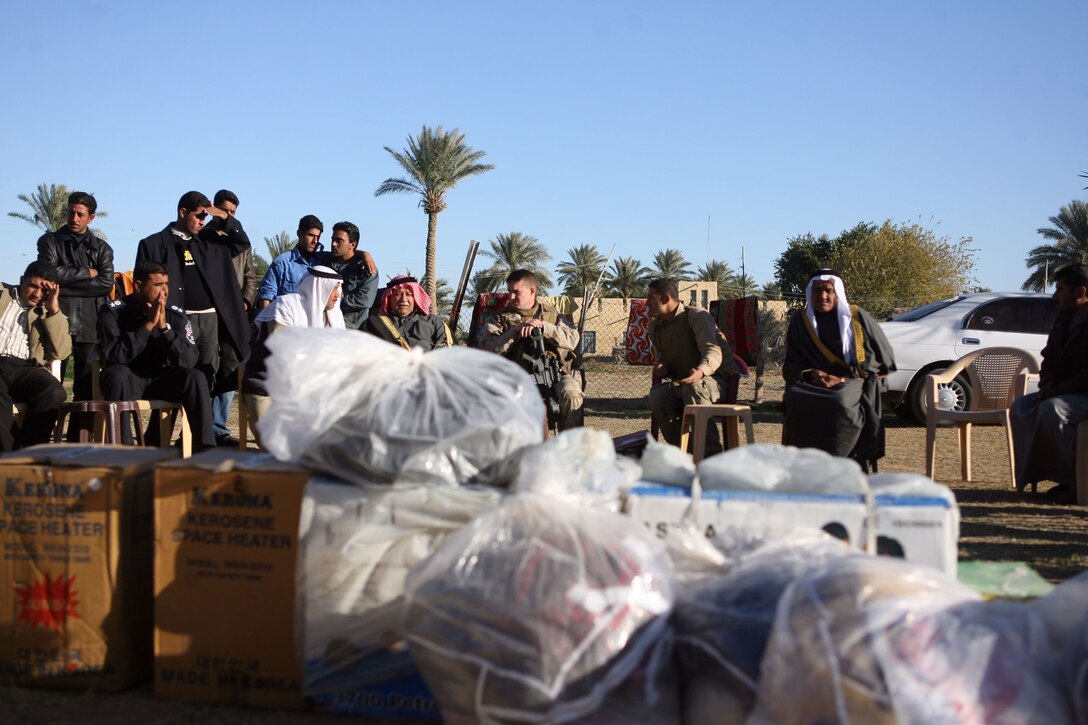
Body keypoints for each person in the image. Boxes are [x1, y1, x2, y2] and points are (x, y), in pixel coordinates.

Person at [134, 191, 251, 447]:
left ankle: (199, 437)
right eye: (198, 216)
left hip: (208, 319)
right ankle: (158, 435)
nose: (202, 222)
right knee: (173, 373)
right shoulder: (154, 243)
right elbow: (141, 284)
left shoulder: (211, 241)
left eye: (205, 217)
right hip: (174, 320)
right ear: (182, 212)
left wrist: (224, 219)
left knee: (206, 375)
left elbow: (242, 243)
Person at [781, 270, 896, 469]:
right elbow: (792, 363)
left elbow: (882, 360)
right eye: (817, 291)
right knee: (795, 397)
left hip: (853, 379)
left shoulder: (858, 317)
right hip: (814, 381)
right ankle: (805, 466)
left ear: (837, 294)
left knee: (840, 401)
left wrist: (841, 379)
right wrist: (813, 373)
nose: (822, 296)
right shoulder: (801, 322)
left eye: (828, 291)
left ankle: (845, 464)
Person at [97, 261, 216, 452]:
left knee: (195, 377)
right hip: (129, 380)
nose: (165, 290)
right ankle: (123, 449)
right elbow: (115, 356)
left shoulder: (175, 315)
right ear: (138, 286)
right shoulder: (113, 312)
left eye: (166, 284)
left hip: (162, 381)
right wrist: (148, 326)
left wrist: (164, 329)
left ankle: (204, 448)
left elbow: (189, 360)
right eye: (158, 285)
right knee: (117, 373)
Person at [35, 191, 114, 427]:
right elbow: (46, 274)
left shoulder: (102, 248)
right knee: (51, 381)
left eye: (80, 214)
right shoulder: (49, 241)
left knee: (86, 385)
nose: (74, 217)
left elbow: (106, 284)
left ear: (91, 218)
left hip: (90, 322)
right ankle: (45, 431)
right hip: (55, 318)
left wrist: (62, 285)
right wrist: (86, 273)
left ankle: (80, 437)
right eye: (71, 212)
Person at [1009, 263, 1088, 501]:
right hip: (1064, 393)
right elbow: (1049, 360)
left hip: (1080, 394)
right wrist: (1047, 384)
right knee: (1020, 407)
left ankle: (1074, 483)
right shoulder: (1064, 321)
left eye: (1061, 290)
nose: (1055, 296)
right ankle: (1034, 476)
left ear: (1081, 293)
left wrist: (1056, 391)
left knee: (1053, 409)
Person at [242, 266, 344, 436]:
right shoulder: (286, 307)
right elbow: (282, 354)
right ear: (320, 287)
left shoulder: (334, 316)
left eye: (338, 288)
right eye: (334, 288)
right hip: (268, 386)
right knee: (276, 442)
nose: (338, 294)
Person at [480, 269, 583, 430]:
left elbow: (572, 339)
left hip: (554, 375)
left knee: (572, 393)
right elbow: (488, 348)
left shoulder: (552, 314)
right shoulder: (500, 318)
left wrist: (544, 327)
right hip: (515, 378)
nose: (511, 297)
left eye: (516, 292)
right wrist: (514, 331)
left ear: (532, 291)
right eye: (509, 292)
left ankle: (568, 447)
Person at [645, 278, 739, 455]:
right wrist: (662, 366)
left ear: (666, 299)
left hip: (716, 383)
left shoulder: (697, 316)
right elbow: (663, 359)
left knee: (694, 388)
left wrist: (701, 371)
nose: (647, 302)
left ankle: (711, 456)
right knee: (658, 397)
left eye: (651, 298)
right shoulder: (655, 326)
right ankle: (685, 452)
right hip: (684, 384)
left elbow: (713, 351)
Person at [200, 189, 256, 446]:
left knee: (230, 368)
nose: (227, 216)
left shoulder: (240, 241)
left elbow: (251, 277)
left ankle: (219, 427)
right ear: (213, 208)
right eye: (224, 210)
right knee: (206, 365)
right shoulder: (203, 236)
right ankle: (201, 427)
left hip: (235, 314)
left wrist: (245, 301)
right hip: (209, 312)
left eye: (232, 213)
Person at [0, 261, 71, 451]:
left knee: (54, 393)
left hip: (23, 367)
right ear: (22, 280)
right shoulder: (3, 295)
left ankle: (33, 451)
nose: (37, 294)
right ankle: (10, 456)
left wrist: (54, 310)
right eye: (33, 285)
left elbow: (61, 352)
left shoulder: (49, 312)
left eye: (44, 290)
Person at [317, 221, 379, 329]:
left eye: (339, 241)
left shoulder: (367, 269)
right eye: (333, 239)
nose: (333, 244)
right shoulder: (324, 262)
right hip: (323, 326)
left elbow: (365, 300)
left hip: (351, 329)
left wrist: (331, 300)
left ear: (353, 244)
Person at [363, 275, 451, 350]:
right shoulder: (374, 323)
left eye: (409, 294)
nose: (404, 299)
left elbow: (444, 353)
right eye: (398, 294)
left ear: (415, 298)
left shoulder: (433, 323)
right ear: (389, 298)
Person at [257, 214, 325, 307]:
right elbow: (266, 296)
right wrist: (266, 320)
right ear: (299, 233)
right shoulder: (282, 263)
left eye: (318, 237)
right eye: (311, 235)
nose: (315, 241)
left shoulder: (322, 263)